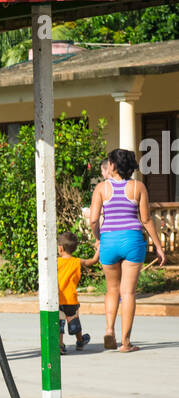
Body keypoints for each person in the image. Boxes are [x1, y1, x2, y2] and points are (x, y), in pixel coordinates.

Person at [88, 148, 165, 352]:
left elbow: (94, 219)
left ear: (112, 165)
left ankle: (109, 330)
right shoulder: (138, 187)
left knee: (112, 289)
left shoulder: (101, 188)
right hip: (132, 240)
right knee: (128, 292)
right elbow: (146, 220)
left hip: (109, 241)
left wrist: (98, 239)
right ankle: (126, 342)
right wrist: (158, 246)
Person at [57, 232, 98, 353]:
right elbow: (92, 261)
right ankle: (80, 341)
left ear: (60, 248)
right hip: (71, 299)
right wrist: (98, 251)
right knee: (74, 321)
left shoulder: (56, 262)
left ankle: (60, 345)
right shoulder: (77, 261)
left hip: (58, 299)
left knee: (59, 323)